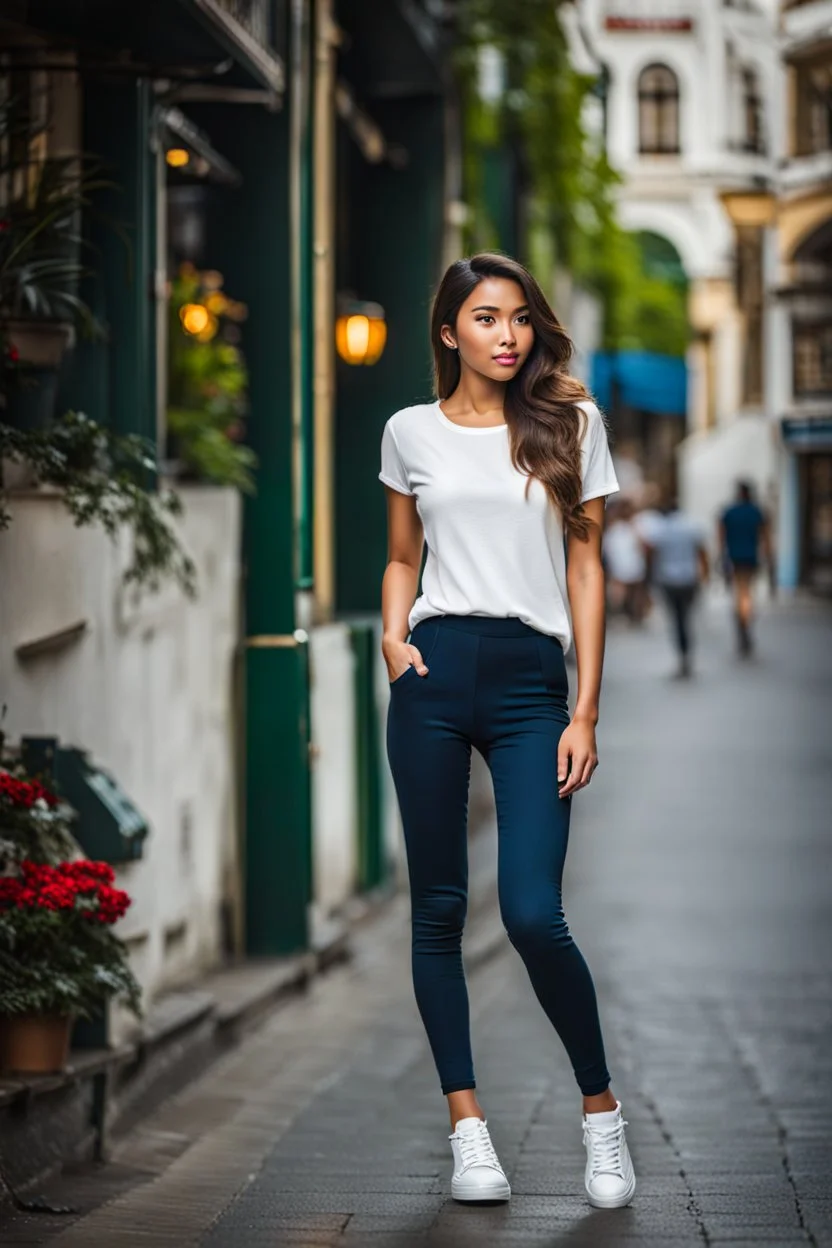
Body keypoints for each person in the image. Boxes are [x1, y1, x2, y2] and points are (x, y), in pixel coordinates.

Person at [378, 253, 636, 1211]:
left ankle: (601, 1116)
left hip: (534, 685)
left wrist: (586, 708)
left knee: (532, 911)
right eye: (486, 318)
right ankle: (468, 1132)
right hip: (435, 676)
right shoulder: (409, 431)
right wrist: (392, 639)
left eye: (520, 318)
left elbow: (586, 569)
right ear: (449, 332)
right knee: (438, 911)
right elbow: (405, 556)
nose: (507, 334)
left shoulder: (571, 423)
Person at [644, 497, 709, 678]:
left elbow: (652, 554)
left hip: (669, 581)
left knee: (677, 618)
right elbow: (702, 552)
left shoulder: (661, 530)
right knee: (686, 617)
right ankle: (686, 651)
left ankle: (683, 653)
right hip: (689, 580)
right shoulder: (691, 527)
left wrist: (650, 577)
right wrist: (705, 575)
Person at [719, 480, 773, 656]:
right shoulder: (756, 512)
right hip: (750, 558)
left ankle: (742, 624)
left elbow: (720, 537)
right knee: (747, 593)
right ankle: (745, 623)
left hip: (734, 559)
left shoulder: (729, 512)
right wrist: (769, 558)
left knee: (739, 594)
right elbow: (765, 538)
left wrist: (720, 558)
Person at [603, 498, 648, 623]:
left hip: (622, 564)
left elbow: (608, 548)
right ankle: (632, 614)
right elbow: (641, 545)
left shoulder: (615, 528)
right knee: (633, 591)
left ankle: (621, 613)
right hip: (632, 563)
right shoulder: (631, 527)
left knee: (623, 590)